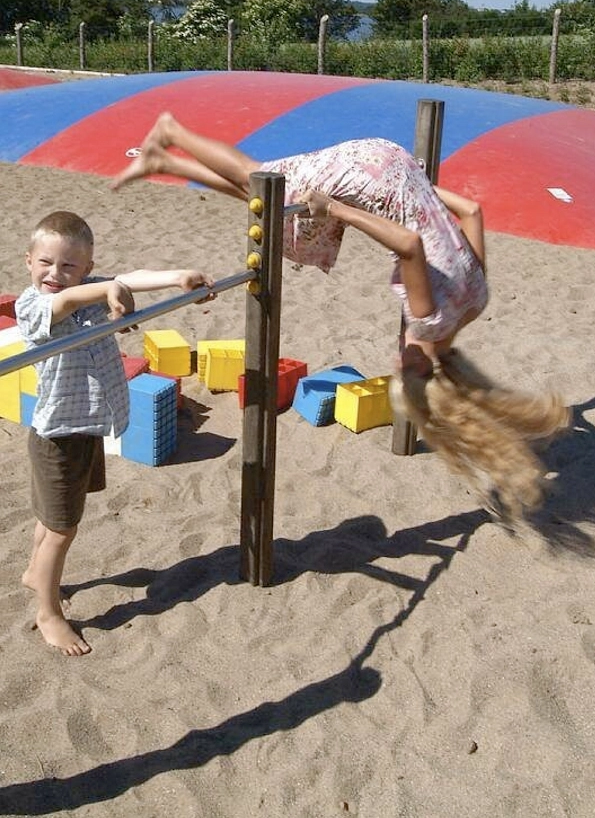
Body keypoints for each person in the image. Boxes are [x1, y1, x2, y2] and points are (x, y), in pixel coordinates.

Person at [112, 114, 569, 525]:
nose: (396, 359)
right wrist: (339, 209)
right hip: (373, 175)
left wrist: (414, 190)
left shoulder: (475, 300)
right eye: (401, 369)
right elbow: (409, 243)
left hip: (398, 169)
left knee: (285, 222)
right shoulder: (428, 321)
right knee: (265, 178)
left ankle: (166, 164)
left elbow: (471, 211)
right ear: (424, 371)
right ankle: (173, 131)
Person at [16, 209, 214, 656]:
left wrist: (178, 276)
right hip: (57, 437)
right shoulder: (37, 304)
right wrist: (106, 289)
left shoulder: (88, 288)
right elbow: (63, 304)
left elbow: (131, 277)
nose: (55, 274)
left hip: (85, 428)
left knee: (54, 522)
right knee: (62, 530)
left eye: (69, 266)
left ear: (86, 267)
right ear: (29, 261)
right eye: (46, 263)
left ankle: (34, 573)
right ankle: (48, 613)